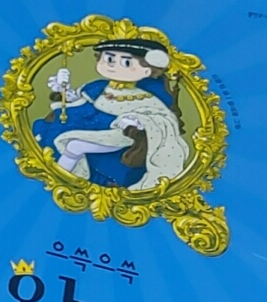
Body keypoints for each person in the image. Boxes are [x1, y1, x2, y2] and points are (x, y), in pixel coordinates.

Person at [31, 39, 189, 190]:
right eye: (109, 59)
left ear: (147, 70)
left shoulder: (145, 97)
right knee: (58, 127)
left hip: (117, 133)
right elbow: (82, 101)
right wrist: (63, 89)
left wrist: (138, 121)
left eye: (126, 62)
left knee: (75, 145)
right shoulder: (99, 86)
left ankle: (59, 179)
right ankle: (56, 175)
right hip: (92, 124)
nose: (113, 66)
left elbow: (162, 119)